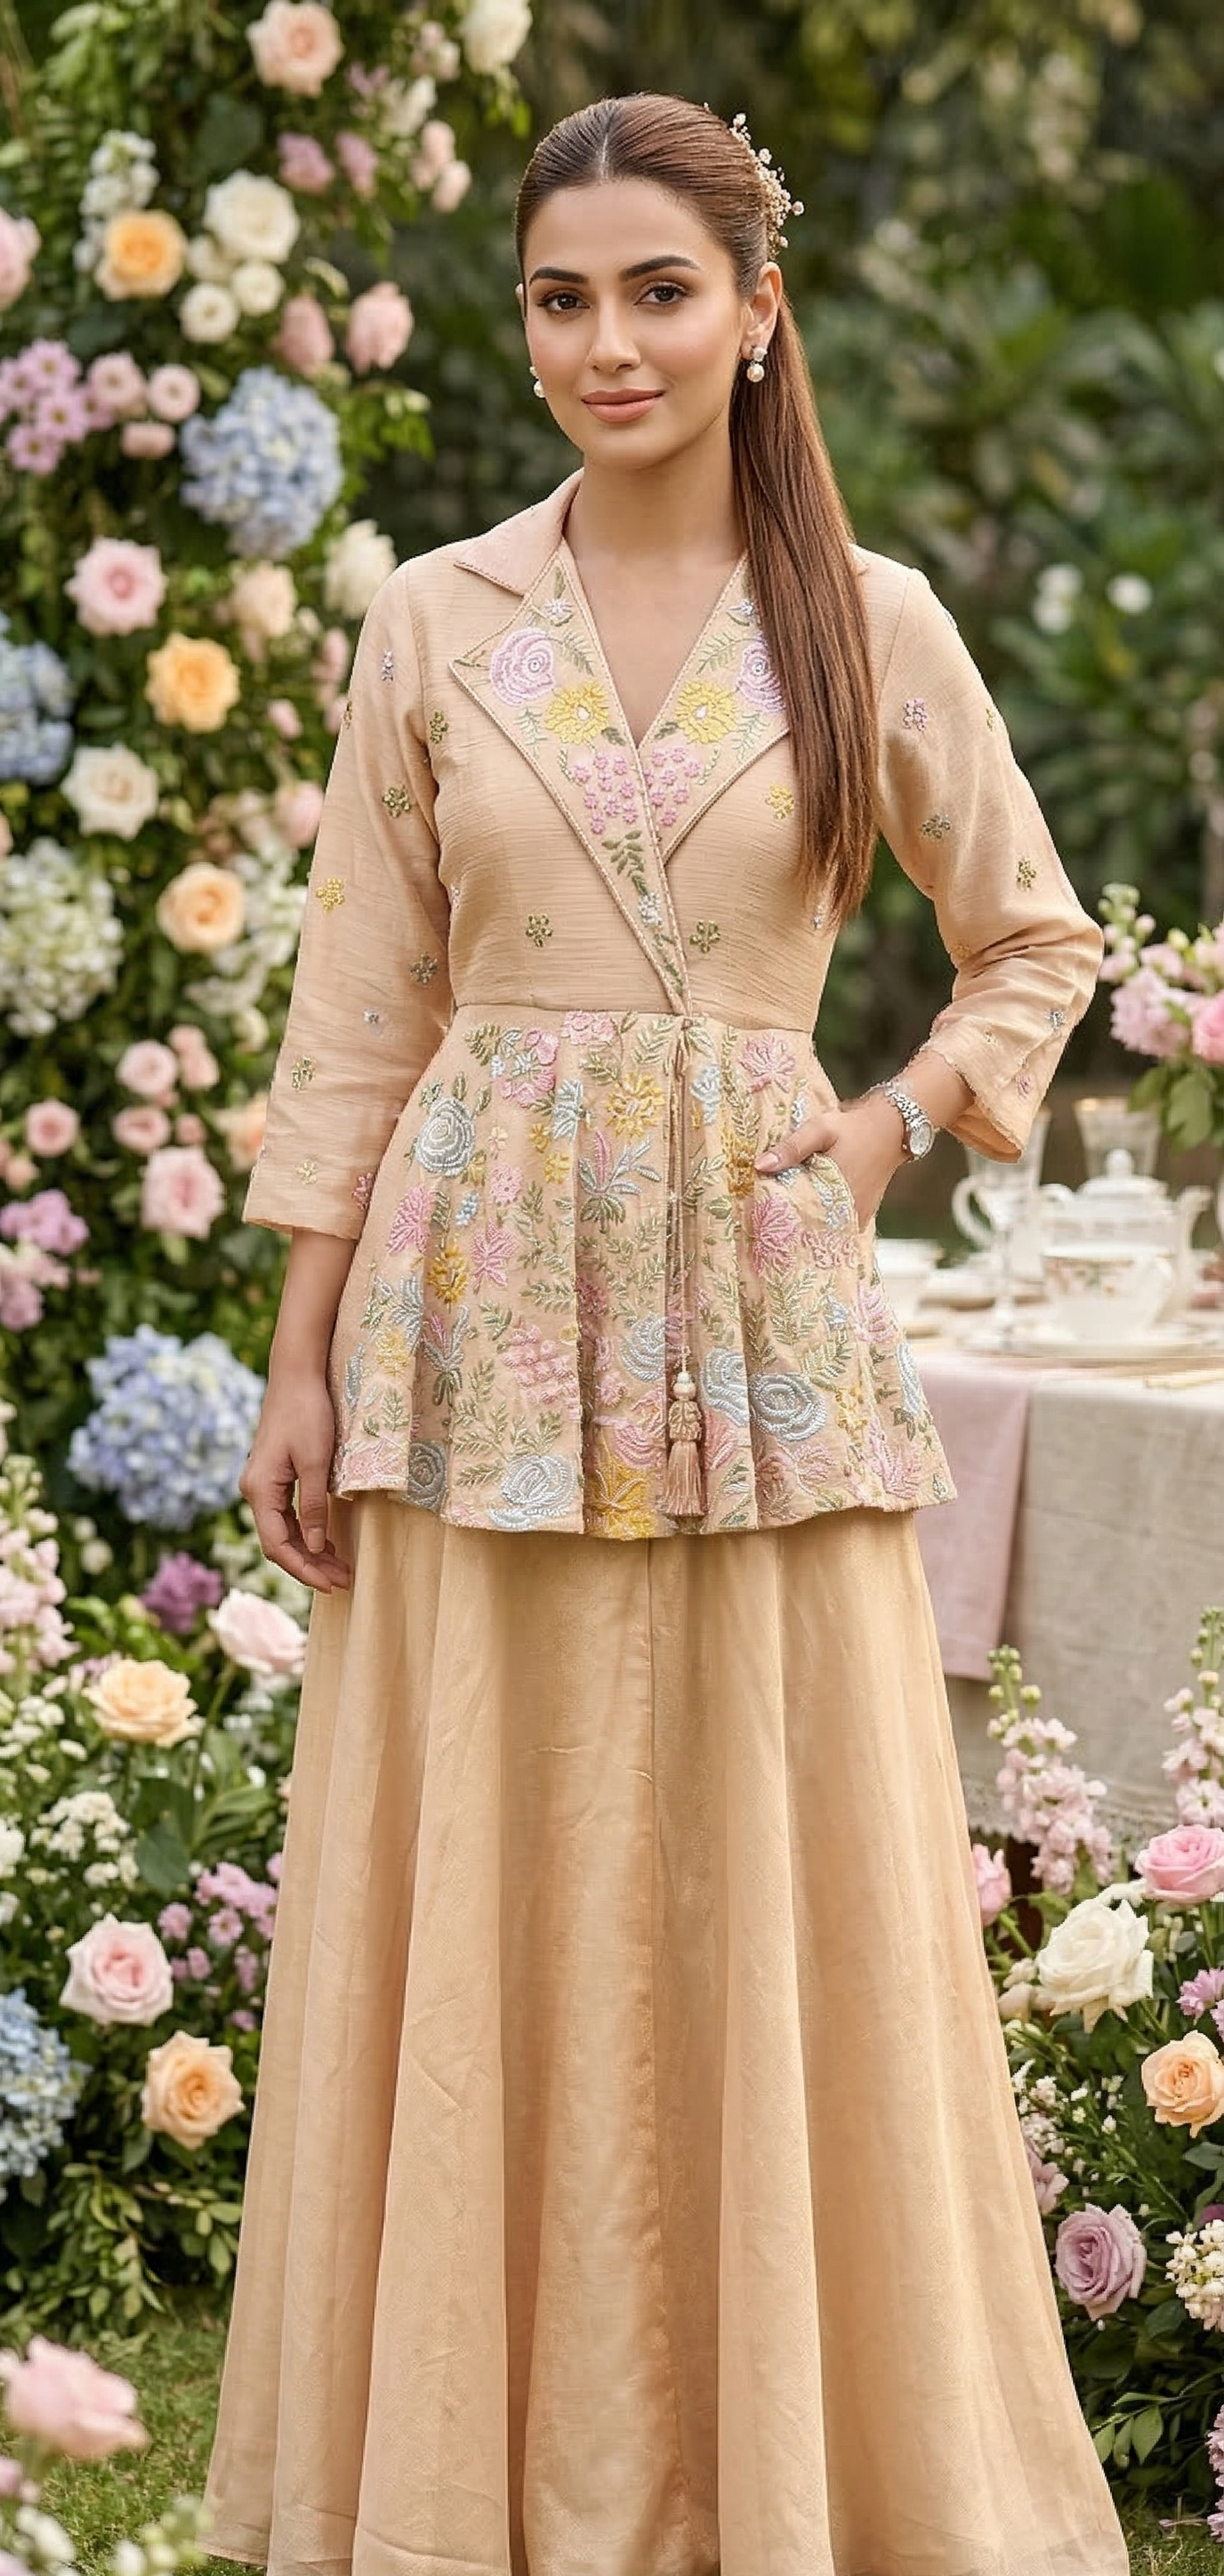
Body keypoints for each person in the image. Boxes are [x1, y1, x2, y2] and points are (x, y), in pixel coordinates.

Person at [202, 89, 1130, 2576]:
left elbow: (1038, 935)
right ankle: (465, 2475)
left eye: (655, 291)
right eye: (560, 296)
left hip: (753, 1309)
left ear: (753, 314)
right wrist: (297, 1356)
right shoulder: (436, 616)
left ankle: (802, 2462)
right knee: (488, 1836)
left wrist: (886, 1122)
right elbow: (359, 1012)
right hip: (472, 1307)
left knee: (767, 1844)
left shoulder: (871, 620)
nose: (606, 343)